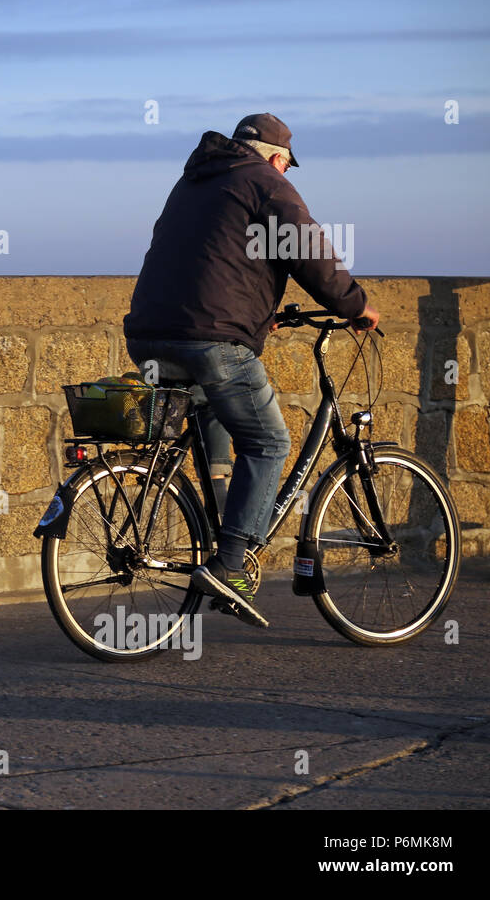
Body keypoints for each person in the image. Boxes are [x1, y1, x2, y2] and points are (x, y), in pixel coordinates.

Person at [122, 113, 380, 627]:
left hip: (148, 335)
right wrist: (355, 305)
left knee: (216, 417)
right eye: (287, 164)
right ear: (277, 157)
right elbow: (309, 253)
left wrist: (261, 317)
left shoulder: (194, 180)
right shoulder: (264, 182)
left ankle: (220, 534)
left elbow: (216, 261)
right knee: (268, 443)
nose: (287, 173)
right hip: (208, 339)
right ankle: (232, 563)